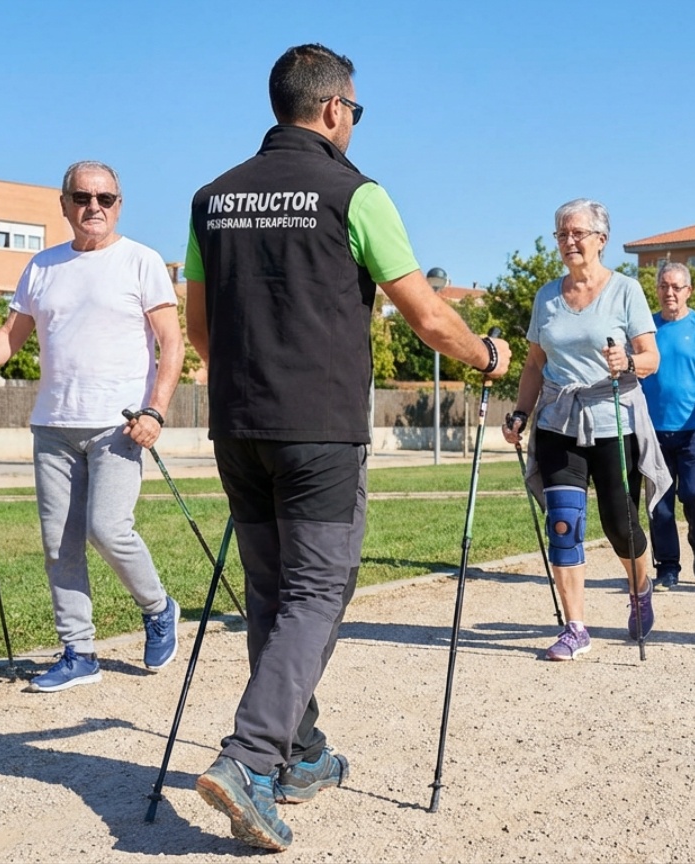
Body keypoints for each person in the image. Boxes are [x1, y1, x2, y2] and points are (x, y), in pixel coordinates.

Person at [183, 44, 509, 851]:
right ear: (333, 110)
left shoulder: (211, 197)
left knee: (272, 593)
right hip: (318, 428)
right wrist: (491, 357)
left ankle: (300, 751)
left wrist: (244, 383)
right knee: (318, 590)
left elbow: (199, 324)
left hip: (238, 423)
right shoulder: (352, 193)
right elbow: (428, 316)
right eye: (355, 109)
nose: (353, 121)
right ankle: (251, 758)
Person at [0, 161, 184, 693]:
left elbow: (172, 343)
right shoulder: (42, 266)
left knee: (107, 528)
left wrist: (155, 410)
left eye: (105, 198)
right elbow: (9, 338)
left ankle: (159, 607)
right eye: (82, 196)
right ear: (65, 203)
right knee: (59, 543)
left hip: (119, 426)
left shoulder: (140, 261)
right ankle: (79, 651)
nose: (93, 206)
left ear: (119, 203)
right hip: (53, 424)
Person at [502, 198, 670, 662]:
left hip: (613, 419)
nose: (569, 242)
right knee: (564, 524)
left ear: (601, 239)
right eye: (562, 234)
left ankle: (640, 589)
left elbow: (651, 358)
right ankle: (575, 627)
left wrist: (629, 361)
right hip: (558, 421)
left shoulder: (626, 291)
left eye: (577, 233)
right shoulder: (546, 297)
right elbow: (536, 362)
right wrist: (520, 412)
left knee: (622, 525)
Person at [640, 261, 695, 590]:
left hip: (694, 429)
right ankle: (667, 567)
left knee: (693, 494)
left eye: (676, 287)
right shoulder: (645, 328)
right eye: (664, 286)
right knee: (659, 502)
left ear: (689, 291)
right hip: (652, 429)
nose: (669, 293)